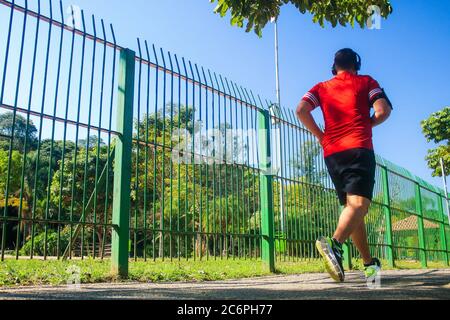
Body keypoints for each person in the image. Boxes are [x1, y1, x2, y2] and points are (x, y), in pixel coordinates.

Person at [296, 48, 392, 282]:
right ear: (356, 64)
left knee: (353, 208)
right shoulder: (367, 81)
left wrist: (321, 136)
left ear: (334, 66)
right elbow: (383, 111)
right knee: (360, 204)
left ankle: (369, 264)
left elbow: (301, 110)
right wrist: (366, 125)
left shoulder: (321, 87)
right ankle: (334, 244)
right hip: (358, 148)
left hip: (332, 154)